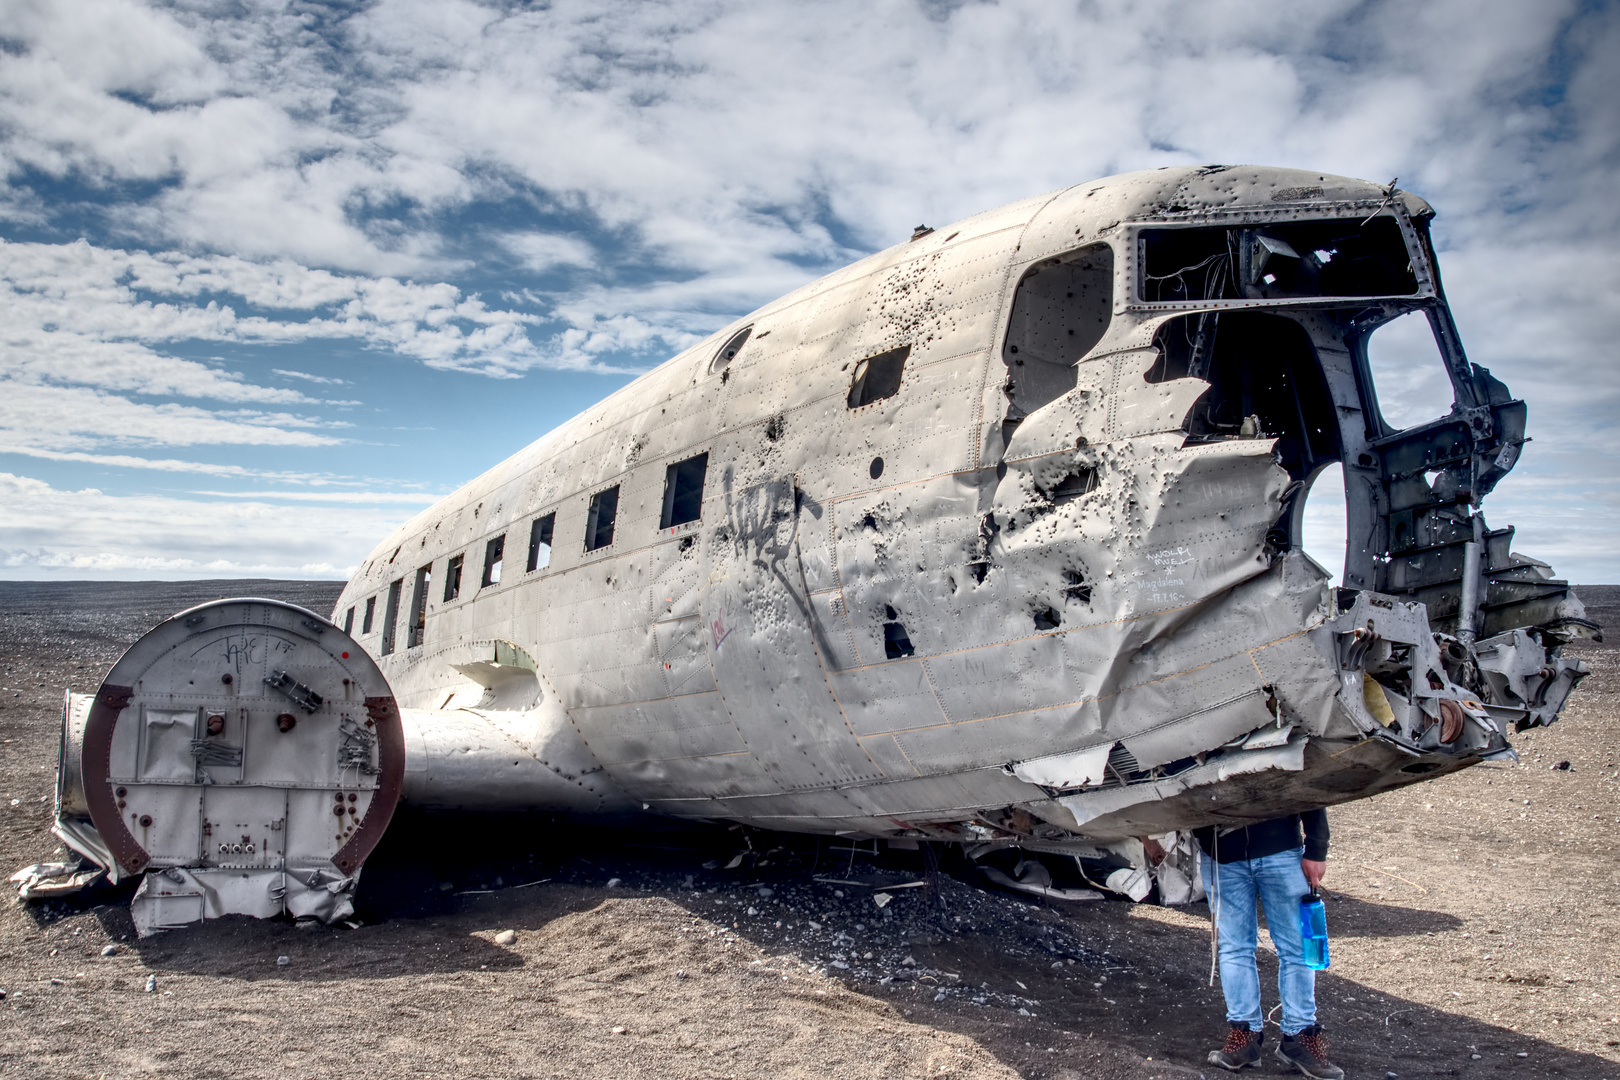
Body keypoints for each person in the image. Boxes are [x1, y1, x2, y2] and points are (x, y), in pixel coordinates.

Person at [1193, 810, 1343, 1079]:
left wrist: (1317, 848)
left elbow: (1305, 780)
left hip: (1281, 850)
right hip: (1221, 856)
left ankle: (1299, 1037)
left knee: (1298, 948)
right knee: (1233, 947)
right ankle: (1245, 1034)